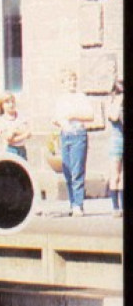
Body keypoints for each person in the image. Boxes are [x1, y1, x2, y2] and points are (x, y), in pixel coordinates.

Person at [50, 70, 96, 215]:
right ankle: (72, 202)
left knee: (77, 170)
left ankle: (78, 204)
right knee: (67, 170)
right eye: (69, 80)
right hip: (65, 135)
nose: (72, 83)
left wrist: (73, 115)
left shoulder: (81, 97)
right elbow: (56, 117)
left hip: (78, 134)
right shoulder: (60, 99)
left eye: (74, 80)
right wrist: (58, 122)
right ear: (63, 83)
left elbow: (90, 116)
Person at [0, 92, 31, 160]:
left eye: (12, 102)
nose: (11, 104)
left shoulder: (21, 116)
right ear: (2, 105)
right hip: (11, 150)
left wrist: (14, 131)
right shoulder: (1, 120)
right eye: (7, 102)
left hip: (22, 150)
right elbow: (9, 139)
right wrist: (23, 134)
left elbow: (29, 133)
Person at [109, 79, 123, 216]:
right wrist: (118, 102)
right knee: (115, 174)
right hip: (117, 140)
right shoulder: (113, 104)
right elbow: (113, 117)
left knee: (123, 176)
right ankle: (115, 207)